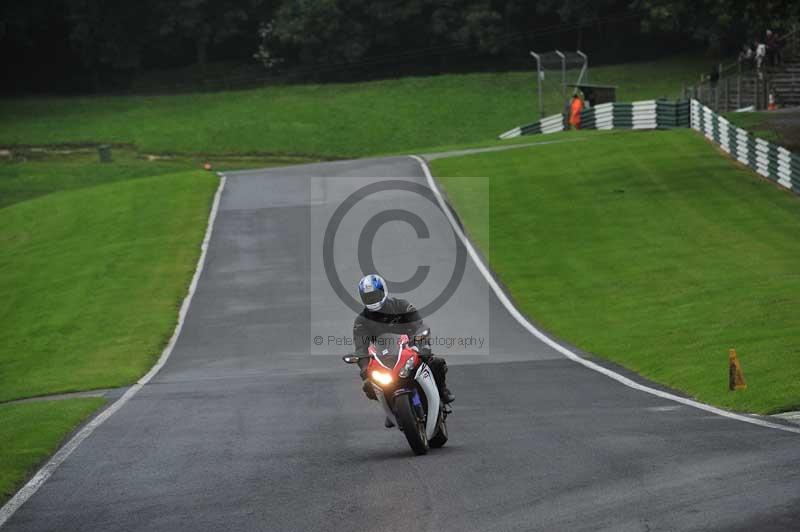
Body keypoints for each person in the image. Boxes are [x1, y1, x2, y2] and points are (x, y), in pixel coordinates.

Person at [352, 273, 454, 404]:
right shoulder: (361, 321)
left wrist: (420, 343)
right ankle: (390, 405)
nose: (372, 299)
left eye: (374, 295)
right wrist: (365, 369)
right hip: (385, 357)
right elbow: (361, 348)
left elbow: (419, 324)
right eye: (368, 297)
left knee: (436, 363)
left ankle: (442, 390)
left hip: (410, 348)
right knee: (369, 386)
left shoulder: (401, 305)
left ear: (383, 292)